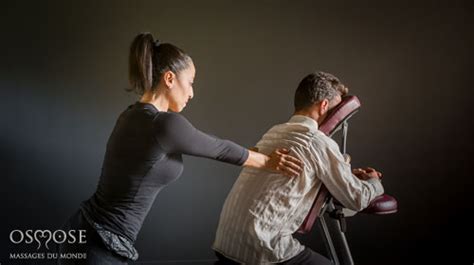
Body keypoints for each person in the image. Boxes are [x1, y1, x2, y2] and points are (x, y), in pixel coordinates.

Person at [57, 32, 303, 265]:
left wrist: (255, 154)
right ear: (170, 79)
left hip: (84, 232)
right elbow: (218, 148)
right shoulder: (163, 124)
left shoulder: (132, 115)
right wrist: (268, 161)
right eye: (191, 82)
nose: (192, 92)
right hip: (100, 247)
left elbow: (209, 146)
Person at [212, 72, 384, 265]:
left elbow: (289, 178)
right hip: (262, 249)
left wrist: (343, 174)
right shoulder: (316, 141)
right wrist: (374, 182)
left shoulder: (274, 132)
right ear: (324, 106)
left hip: (225, 241)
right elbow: (357, 198)